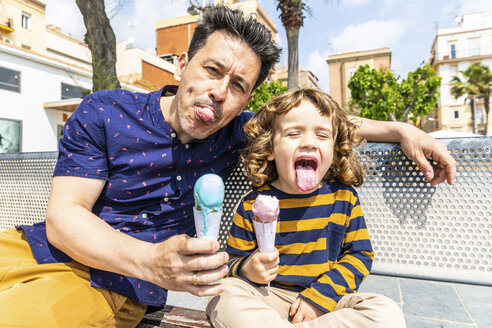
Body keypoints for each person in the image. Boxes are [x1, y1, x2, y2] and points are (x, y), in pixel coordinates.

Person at [0, 6, 453, 328]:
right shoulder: (105, 111)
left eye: (237, 85)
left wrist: (398, 129)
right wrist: (153, 260)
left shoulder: (237, 133)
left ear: (247, 100)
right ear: (182, 63)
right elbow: (64, 218)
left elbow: (310, 125)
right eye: (212, 70)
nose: (219, 92)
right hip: (27, 245)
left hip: (110, 283)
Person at [206, 88, 405, 328]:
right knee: (223, 295)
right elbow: (231, 264)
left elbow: (360, 255)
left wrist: (320, 297)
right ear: (269, 149)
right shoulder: (252, 204)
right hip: (270, 299)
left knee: (385, 313)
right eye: (293, 134)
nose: (309, 142)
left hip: (328, 303)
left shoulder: (343, 198)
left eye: (322, 135)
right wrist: (248, 269)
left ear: (333, 149)